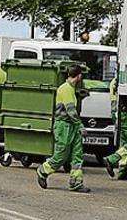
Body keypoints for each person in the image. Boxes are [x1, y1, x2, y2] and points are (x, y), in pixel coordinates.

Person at [37, 64, 89, 193]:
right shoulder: (66, 89)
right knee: (61, 155)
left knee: (77, 155)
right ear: (79, 76)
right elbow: (71, 111)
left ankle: (76, 182)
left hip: (71, 125)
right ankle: (43, 170)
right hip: (64, 126)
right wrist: (80, 125)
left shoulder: (70, 88)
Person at [104, 77, 127, 180]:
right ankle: (112, 159)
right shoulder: (122, 79)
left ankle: (122, 170)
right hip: (126, 114)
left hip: (118, 113)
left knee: (123, 143)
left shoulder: (114, 81)